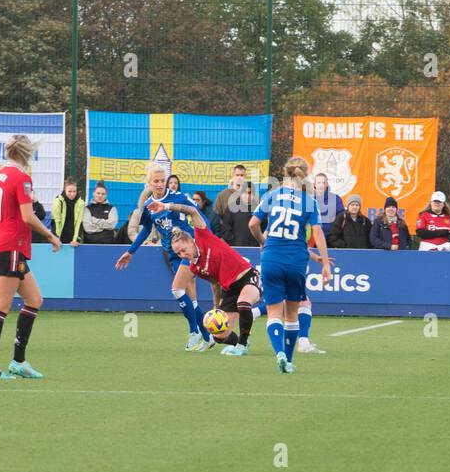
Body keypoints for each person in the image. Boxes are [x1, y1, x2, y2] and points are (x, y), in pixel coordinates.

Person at [0, 134, 61, 379]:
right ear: (25, 154)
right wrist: (50, 235)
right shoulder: (22, 178)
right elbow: (27, 216)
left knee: (34, 299)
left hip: (5, 246)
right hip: (12, 245)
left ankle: (19, 361)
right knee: (0, 306)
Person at [115, 164, 214, 351]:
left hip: (189, 250)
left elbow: (199, 215)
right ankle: (208, 337)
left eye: (162, 181)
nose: (160, 184)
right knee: (191, 299)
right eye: (156, 181)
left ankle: (194, 332)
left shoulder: (177, 198)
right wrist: (131, 251)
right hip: (173, 254)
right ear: (149, 183)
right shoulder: (148, 206)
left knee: (177, 290)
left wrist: (206, 238)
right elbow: (145, 229)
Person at [249, 156, 332, 374]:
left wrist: (262, 242)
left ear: (285, 174)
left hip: (272, 257)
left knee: (274, 312)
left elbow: (253, 223)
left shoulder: (272, 195)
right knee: (292, 314)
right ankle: (291, 358)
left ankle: (279, 353)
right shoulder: (310, 201)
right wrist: (325, 263)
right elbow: (317, 232)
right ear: (306, 175)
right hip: (296, 260)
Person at [154, 198, 262, 356]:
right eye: (178, 253)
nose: (183, 255)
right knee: (219, 335)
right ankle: (242, 338)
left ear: (191, 242)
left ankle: (242, 344)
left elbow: (192, 211)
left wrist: (165, 206)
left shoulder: (203, 235)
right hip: (229, 289)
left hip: (247, 276)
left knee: (244, 302)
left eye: (184, 250)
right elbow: (215, 284)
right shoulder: (195, 268)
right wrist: (216, 306)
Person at [52, 180, 84, 246]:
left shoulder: (81, 203)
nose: (72, 194)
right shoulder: (58, 202)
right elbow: (56, 221)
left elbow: (79, 223)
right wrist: (56, 238)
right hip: (59, 239)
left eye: (74, 191)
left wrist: (76, 240)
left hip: (72, 241)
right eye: (69, 191)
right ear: (65, 190)